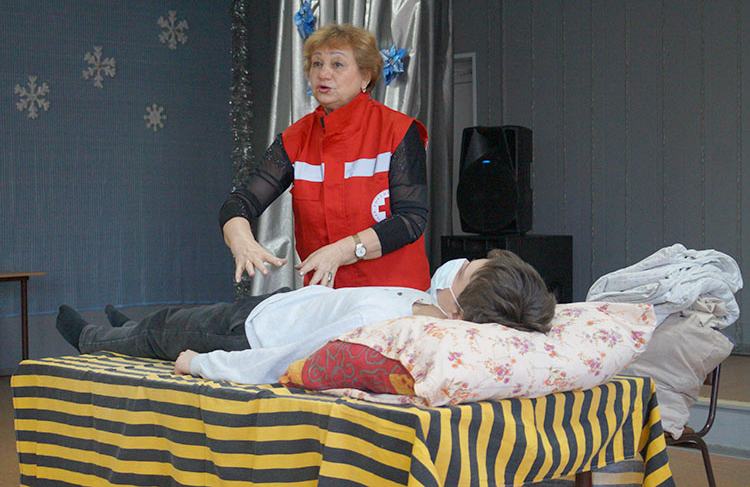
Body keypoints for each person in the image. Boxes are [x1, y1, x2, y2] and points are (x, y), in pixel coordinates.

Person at [55, 250, 556, 385]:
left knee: (165, 328)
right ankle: (128, 328)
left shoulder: (383, 323)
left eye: (465, 272)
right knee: (168, 321)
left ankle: (94, 338)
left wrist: (204, 365)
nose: (458, 264)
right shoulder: (426, 304)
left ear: (461, 310)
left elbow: (292, 359)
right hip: (273, 308)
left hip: (248, 335)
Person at [220, 23, 431, 290]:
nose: (323, 73)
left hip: (394, 294)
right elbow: (240, 202)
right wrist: (241, 240)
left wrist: (342, 251)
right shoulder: (296, 138)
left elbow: (411, 220)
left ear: (365, 77)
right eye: (317, 64)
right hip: (326, 297)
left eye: (337, 64)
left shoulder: (398, 131)